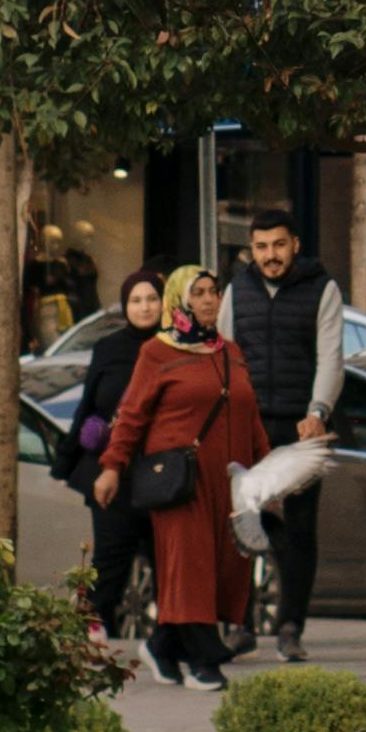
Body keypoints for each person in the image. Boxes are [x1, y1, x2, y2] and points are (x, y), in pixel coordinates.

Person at [92, 268, 267, 682]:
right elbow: (132, 414)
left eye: (214, 292)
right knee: (191, 566)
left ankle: (163, 644)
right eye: (199, 293)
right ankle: (203, 660)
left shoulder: (230, 351)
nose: (209, 300)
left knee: (223, 566)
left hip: (230, 484)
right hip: (181, 482)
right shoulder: (158, 352)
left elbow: (250, 415)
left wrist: (267, 473)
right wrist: (112, 467)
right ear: (180, 301)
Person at [220, 206, 345, 655]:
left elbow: (331, 356)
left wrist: (318, 411)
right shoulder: (238, 289)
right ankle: (241, 625)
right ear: (250, 250)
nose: (270, 255)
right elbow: (227, 356)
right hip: (248, 425)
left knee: (300, 529)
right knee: (242, 524)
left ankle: (290, 627)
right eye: (261, 247)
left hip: (300, 427)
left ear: (295, 245)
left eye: (278, 245)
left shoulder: (323, 288)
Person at [68, 271, 172, 650]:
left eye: (151, 299)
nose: (144, 307)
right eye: (136, 300)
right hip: (115, 471)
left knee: (166, 559)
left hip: (164, 473)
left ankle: (169, 639)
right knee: (111, 556)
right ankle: (94, 631)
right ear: (125, 307)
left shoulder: (174, 347)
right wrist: (76, 456)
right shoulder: (108, 349)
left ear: (164, 303)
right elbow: (89, 404)